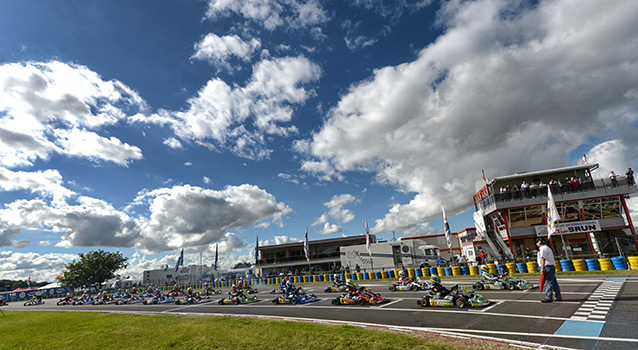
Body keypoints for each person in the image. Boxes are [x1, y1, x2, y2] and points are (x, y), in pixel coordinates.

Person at [536, 237, 562, 303]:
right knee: (554, 282)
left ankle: (549, 297)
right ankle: (558, 296)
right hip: (551, 266)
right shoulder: (547, 248)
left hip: (548, 267)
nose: (536, 244)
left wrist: (542, 268)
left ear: (540, 242)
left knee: (549, 282)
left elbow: (542, 259)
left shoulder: (543, 248)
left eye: (537, 242)